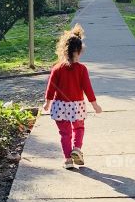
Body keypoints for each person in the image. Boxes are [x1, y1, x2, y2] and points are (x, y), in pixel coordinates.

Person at [43, 23, 102, 168]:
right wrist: (95, 105)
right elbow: (88, 88)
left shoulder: (57, 69)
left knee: (65, 133)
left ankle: (68, 160)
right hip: (77, 106)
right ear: (80, 51)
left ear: (64, 50)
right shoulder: (82, 69)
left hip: (59, 106)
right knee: (79, 129)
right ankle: (77, 149)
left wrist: (47, 103)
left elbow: (51, 87)